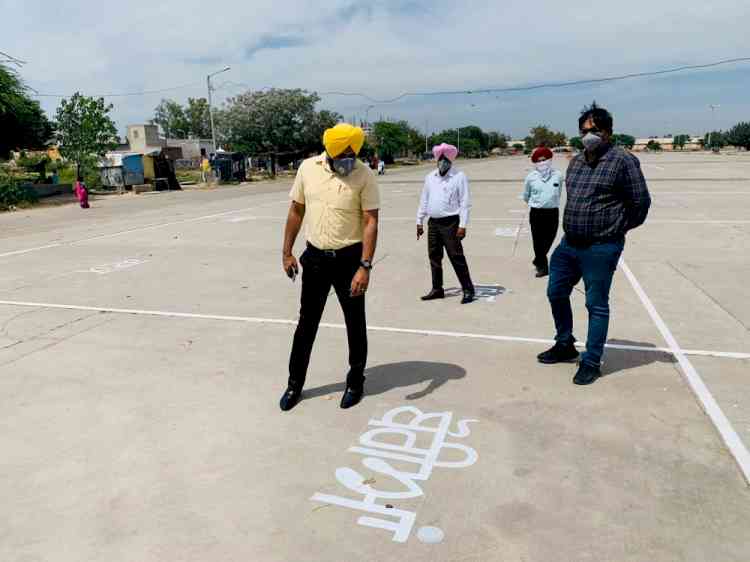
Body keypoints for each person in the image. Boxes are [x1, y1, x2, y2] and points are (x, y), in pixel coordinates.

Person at [538, 103, 651, 385]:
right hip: (569, 245)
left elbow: (641, 203)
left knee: (596, 304)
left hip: (601, 247)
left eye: (595, 130)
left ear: (608, 132)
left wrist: (616, 229)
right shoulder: (576, 162)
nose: (589, 135)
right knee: (555, 292)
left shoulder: (623, 161)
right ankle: (564, 344)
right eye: (584, 131)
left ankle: (591, 360)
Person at [280, 123, 380, 412]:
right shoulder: (308, 169)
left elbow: (371, 221)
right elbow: (296, 211)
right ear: (330, 151)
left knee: (354, 323)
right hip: (314, 259)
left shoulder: (364, 174)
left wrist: (365, 266)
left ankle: (355, 382)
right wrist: (287, 252)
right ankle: (294, 384)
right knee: (306, 324)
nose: (348, 158)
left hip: (350, 260)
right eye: (343, 153)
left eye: (353, 152)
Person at [417, 143, 475, 304]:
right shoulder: (430, 177)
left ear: (451, 160)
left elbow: (465, 203)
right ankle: (437, 289)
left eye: (445, 159)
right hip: (433, 223)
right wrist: (419, 220)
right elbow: (424, 199)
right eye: (440, 158)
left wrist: (462, 225)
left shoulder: (459, 177)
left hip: (451, 223)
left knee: (456, 256)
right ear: (436, 159)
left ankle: (468, 289)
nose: (442, 162)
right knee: (434, 256)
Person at [523, 147, 563, 278]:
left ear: (550, 159)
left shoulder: (558, 175)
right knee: (538, 241)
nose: (542, 163)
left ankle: (538, 259)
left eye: (544, 159)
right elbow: (526, 196)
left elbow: (559, 192)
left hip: (552, 213)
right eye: (539, 161)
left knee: (550, 238)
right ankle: (543, 266)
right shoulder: (530, 177)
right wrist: (536, 203)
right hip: (536, 213)